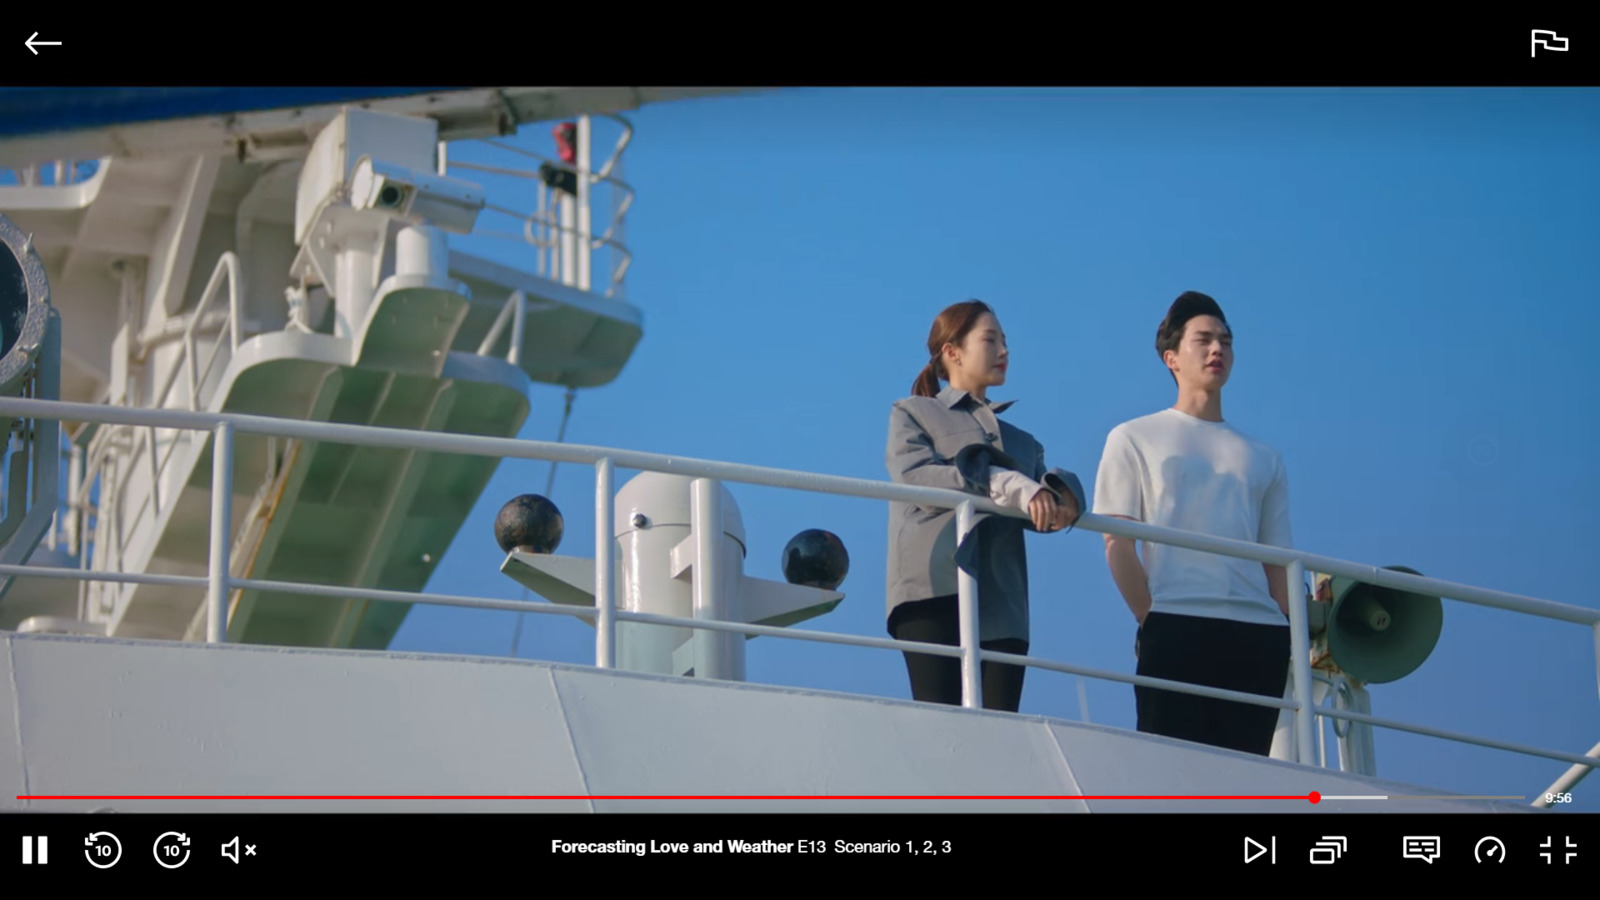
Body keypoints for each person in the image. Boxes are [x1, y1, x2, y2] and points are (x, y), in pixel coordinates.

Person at [1093, 290, 1293, 755]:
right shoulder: (1133, 437)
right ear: (1171, 358)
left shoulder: (1265, 457)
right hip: (1176, 624)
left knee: (1246, 788)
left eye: (1225, 340)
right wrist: (1152, 620)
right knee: (1173, 782)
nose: (1217, 349)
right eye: (1202, 340)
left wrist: (1283, 628)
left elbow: (1278, 563)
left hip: (1258, 634)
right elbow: (1116, 543)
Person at [886, 299, 1085, 712]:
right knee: (939, 725)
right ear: (952, 352)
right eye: (991, 340)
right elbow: (914, 475)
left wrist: (1064, 494)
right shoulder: (914, 412)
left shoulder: (1023, 442)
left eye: (1005, 342)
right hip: (932, 589)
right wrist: (999, 480)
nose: (1004, 351)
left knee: (999, 735)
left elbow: (1044, 502)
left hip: (1003, 602)